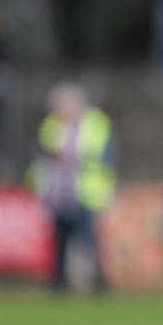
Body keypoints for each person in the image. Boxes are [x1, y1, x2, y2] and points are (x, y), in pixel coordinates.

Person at [27, 83, 116, 291]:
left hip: (86, 192)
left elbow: (105, 156)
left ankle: (98, 280)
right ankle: (58, 280)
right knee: (60, 238)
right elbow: (41, 155)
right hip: (58, 193)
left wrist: (76, 159)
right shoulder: (51, 124)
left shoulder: (95, 123)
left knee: (87, 239)